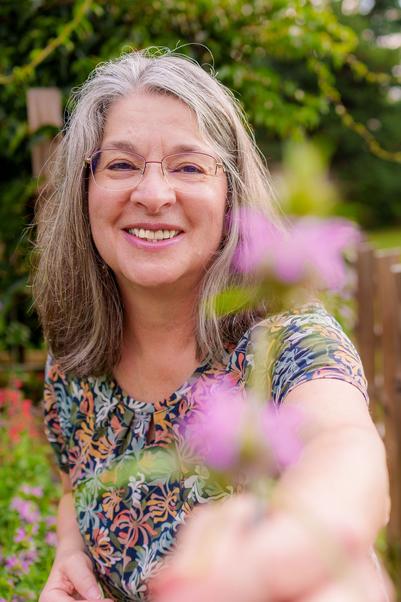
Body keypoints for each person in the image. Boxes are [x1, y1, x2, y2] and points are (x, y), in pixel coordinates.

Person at [34, 49, 391, 602]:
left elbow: (343, 447)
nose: (154, 195)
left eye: (189, 167)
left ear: (231, 196)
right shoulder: (76, 358)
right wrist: (69, 551)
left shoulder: (287, 339)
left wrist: (275, 559)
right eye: (122, 165)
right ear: (85, 191)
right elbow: (72, 487)